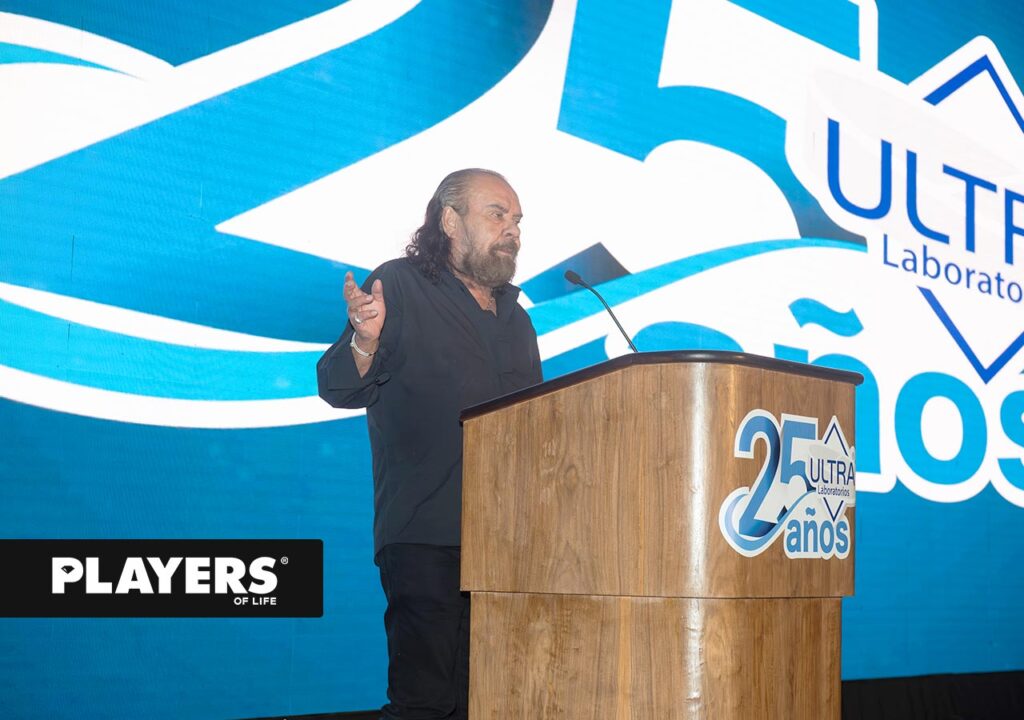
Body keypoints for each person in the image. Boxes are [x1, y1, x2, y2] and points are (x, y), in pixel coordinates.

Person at [316, 169, 543, 719]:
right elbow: (338, 387)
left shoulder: (518, 321)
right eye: (496, 214)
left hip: (508, 545)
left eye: (517, 220)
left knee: (490, 703)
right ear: (450, 221)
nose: (512, 229)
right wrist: (365, 341)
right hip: (426, 534)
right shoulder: (398, 286)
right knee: (425, 705)